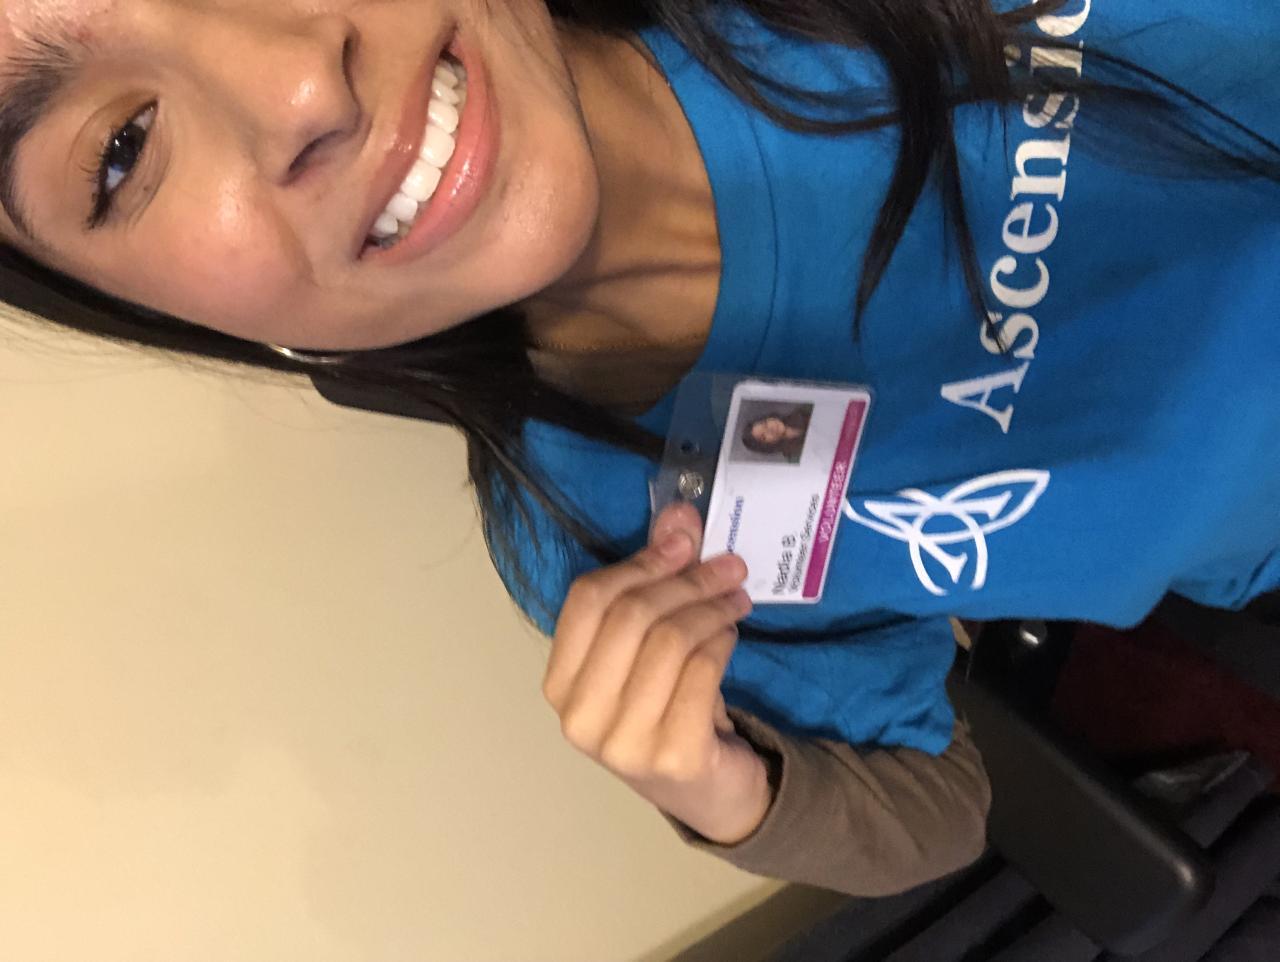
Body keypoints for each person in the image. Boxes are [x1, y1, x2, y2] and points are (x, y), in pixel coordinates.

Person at [3, 0, 1279, 898]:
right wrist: (728, 788)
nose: (299, 87)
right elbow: (941, 806)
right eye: (120, 152)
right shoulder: (602, 525)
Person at [740, 407, 812, 461]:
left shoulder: (805, 409)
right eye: (763, 436)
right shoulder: (796, 458)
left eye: (765, 424)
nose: (770, 429)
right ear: (766, 446)